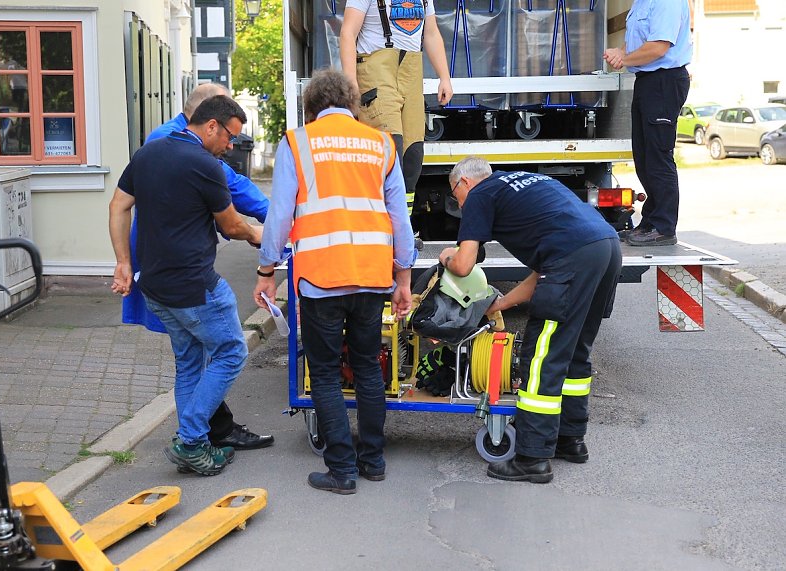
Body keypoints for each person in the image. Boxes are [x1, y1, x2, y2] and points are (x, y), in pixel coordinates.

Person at [254, 68, 416, 494]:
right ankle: (374, 461)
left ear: (311, 108)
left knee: (325, 373)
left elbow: (280, 216)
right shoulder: (380, 143)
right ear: (352, 103)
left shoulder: (297, 142)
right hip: (371, 274)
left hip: (321, 278)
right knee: (366, 367)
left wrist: (267, 270)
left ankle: (342, 471)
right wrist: (404, 275)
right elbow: (400, 217)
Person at [439, 157, 621, 484]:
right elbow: (548, 269)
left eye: (456, 196)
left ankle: (533, 457)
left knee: (540, 358)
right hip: (605, 247)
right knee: (574, 350)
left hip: (574, 255)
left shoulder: (480, 194)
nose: (460, 205)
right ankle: (570, 440)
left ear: (463, 183)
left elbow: (464, 265)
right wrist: (501, 303)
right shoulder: (523, 182)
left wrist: (447, 258)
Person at [109, 96, 263, 476]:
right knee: (231, 352)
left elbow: (117, 206)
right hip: (196, 286)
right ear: (211, 125)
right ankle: (191, 440)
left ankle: (194, 443)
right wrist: (260, 234)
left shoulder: (149, 153)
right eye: (230, 137)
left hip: (155, 285)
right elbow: (231, 225)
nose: (230, 146)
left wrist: (124, 263)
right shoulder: (205, 164)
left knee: (190, 362)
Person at [340, 0, 453, 222]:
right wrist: (351, 81)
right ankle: (378, 226)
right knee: (390, 150)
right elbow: (347, 34)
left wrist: (445, 77)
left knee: (412, 155)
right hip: (375, 69)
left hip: (411, 70)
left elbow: (431, 33)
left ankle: (401, 227)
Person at [604, 0, 692, 246]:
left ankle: (664, 227)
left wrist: (625, 59)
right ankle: (650, 223)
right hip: (648, 81)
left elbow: (658, 48)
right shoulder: (642, 2)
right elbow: (638, 40)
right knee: (644, 157)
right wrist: (623, 52)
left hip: (664, 81)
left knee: (658, 155)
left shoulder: (667, 2)